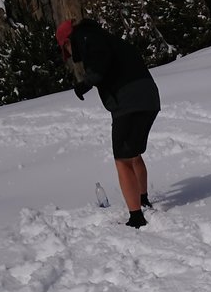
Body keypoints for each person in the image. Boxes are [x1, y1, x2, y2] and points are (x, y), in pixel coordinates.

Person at [56, 18, 160, 229]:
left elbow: (101, 61)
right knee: (133, 154)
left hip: (128, 101)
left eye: (66, 47)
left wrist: (86, 83)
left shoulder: (87, 38)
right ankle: (142, 198)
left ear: (68, 39)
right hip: (149, 97)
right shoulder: (105, 37)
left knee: (121, 159)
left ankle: (136, 217)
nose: (69, 52)